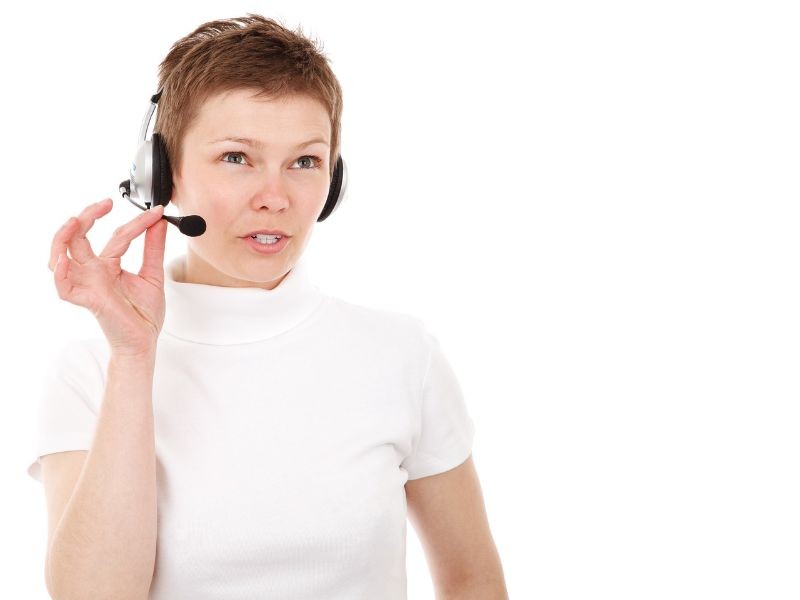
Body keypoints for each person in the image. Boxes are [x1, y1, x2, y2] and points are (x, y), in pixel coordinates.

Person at [29, 14, 508, 600]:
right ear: (162, 173)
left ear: (333, 180)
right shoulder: (91, 372)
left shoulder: (403, 355)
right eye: (236, 157)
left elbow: (473, 581)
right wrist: (133, 358)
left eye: (304, 162)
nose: (275, 199)